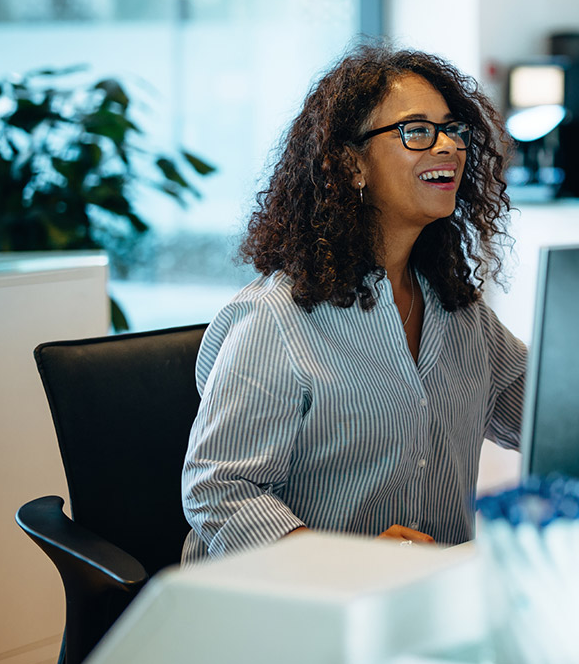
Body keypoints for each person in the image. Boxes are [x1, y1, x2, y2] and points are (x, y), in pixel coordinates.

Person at [181, 44, 525, 562]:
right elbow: (219, 490)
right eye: (416, 131)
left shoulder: (460, 313)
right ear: (350, 163)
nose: (448, 147)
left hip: (428, 598)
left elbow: (551, 417)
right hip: (298, 609)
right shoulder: (277, 319)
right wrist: (347, 563)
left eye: (453, 129)